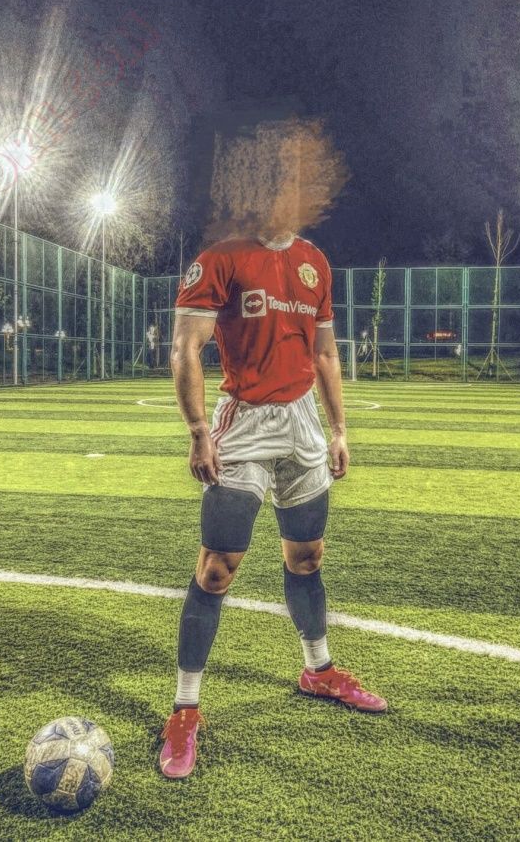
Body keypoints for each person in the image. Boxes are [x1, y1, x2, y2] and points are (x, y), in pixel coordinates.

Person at [159, 230, 387, 780]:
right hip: (244, 425)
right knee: (216, 570)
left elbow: (325, 352)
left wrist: (339, 429)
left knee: (307, 559)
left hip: (303, 425)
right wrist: (198, 432)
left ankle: (319, 671)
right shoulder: (221, 258)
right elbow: (185, 347)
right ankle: (185, 709)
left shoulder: (313, 260)